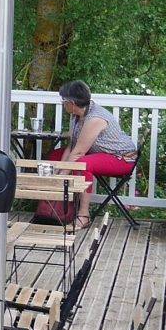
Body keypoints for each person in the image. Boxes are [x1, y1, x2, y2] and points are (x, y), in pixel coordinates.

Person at [54, 81, 139, 225]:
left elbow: (79, 152)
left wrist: (60, 176)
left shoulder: (95, 118)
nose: (62, 104)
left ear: (72, 103)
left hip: (122, 159)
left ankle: (83, 215)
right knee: (56, 155)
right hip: (103, 154)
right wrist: (59, 169)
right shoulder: (76, 115)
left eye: (63, 101)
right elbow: (72, 146)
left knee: (82, 164)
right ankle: (57, 211)